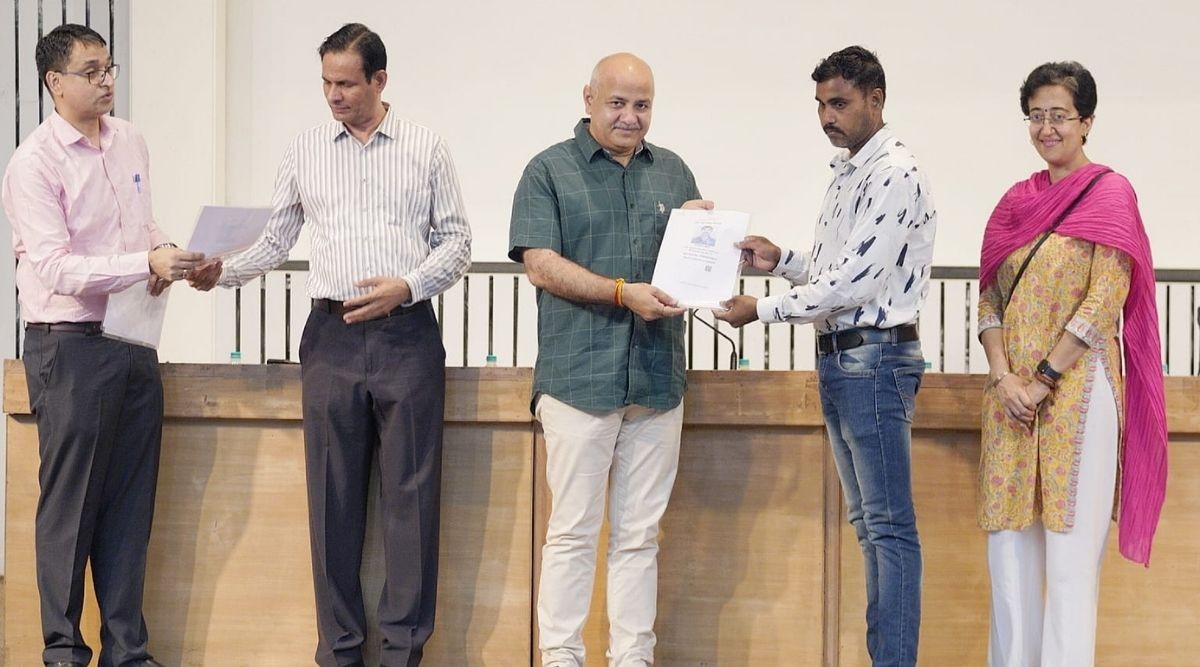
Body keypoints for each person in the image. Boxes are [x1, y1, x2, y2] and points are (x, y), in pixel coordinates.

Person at [189, 23, 471, 666]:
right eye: (326, 83)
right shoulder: (305, 150)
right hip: (330, 336)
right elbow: (275, 239)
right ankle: (339, 652)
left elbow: (457, 244)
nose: (334, 95)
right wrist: (221, 272)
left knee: (412, 500)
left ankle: (402, 653)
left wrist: (407, 286)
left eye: (346, 83)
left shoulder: (426, 148)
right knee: (331, 501)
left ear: (379, 80)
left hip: (407, 334)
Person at [716, 46, 935, 667]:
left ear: (876, 100)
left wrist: (762, 309)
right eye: (819, 104)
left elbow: (855, 285)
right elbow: (839, 270)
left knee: (888, 529)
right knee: (870, 526)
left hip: (875, 361)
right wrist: (781, 262)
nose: (826, 117)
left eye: (838, 103)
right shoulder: (850, 171)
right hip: (844, 360)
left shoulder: (893, 173)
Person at [1, 23, 203, 667]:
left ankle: (127, 652)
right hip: (70, 345)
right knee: (71, 509)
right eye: (90, 71)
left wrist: (169, 253)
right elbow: (56, 268)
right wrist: (144, 262)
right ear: (54, 83)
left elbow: (141, 227)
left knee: (129, 505)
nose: (106, 80)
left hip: (133, 335)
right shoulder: (34, 162)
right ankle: (63, 651)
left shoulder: (130, 139)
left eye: (109, 67)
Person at [508, 52, 711, 667]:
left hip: (656, 381)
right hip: (578, 380)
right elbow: (541, 265)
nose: (630, 116)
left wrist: (709, 241)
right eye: (618, 103)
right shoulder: (548, 170)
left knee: (640, 537)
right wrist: (623, 293)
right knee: (572, 531)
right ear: (589, 99)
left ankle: (632, 657)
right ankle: (561, 656)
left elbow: (690, 271)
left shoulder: (673, 172)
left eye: (642, 105)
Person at [977, 61, 1167, 667]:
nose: (1046, 128)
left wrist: (1042, 380)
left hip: (1078, 395)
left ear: (1086, 121)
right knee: (1008, 557)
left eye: (1059, 115)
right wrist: (1004, 377)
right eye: (1036, 116)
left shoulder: (1111, 193)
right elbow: (989, 299)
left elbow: (1105, 298)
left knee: (1069, 560)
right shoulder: (1015, 202)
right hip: (1009, 400)